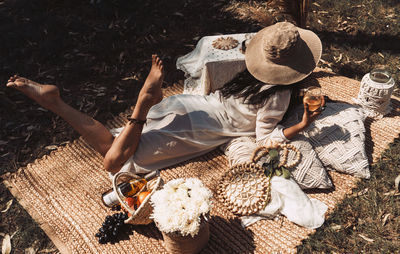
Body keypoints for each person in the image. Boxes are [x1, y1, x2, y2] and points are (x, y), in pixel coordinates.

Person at [6, 22, 324, 176]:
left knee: (112, 146)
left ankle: (55, 103)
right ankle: (141, 108)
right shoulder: (279, 95)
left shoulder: (247, 72)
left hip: (190, 105)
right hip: (201, 128)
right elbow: (264, 138)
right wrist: (302, 124)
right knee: (116, 164)